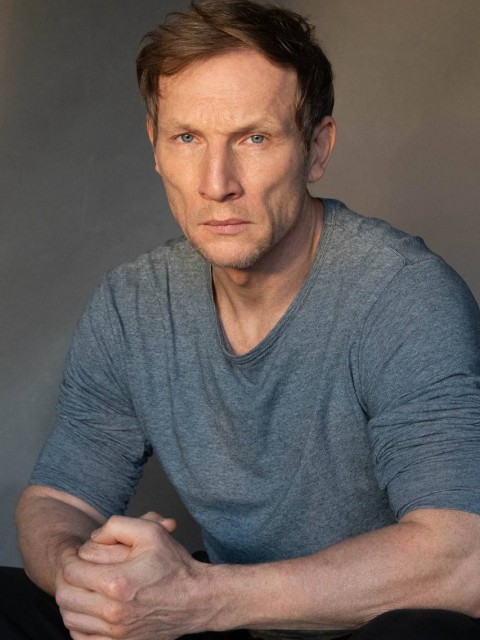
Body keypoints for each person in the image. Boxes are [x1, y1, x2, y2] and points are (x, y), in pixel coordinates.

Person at [3, 1, 480, 639]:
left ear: (316, 149)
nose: (216, 182)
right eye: (188, 138)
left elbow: (464, 559)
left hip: (363, 623)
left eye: (254, 138)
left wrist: (203, 597)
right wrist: (84, 579)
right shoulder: (133, 304)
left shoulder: (403, 296)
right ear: (156, 147)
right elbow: (57, 500)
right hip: (224, 616)